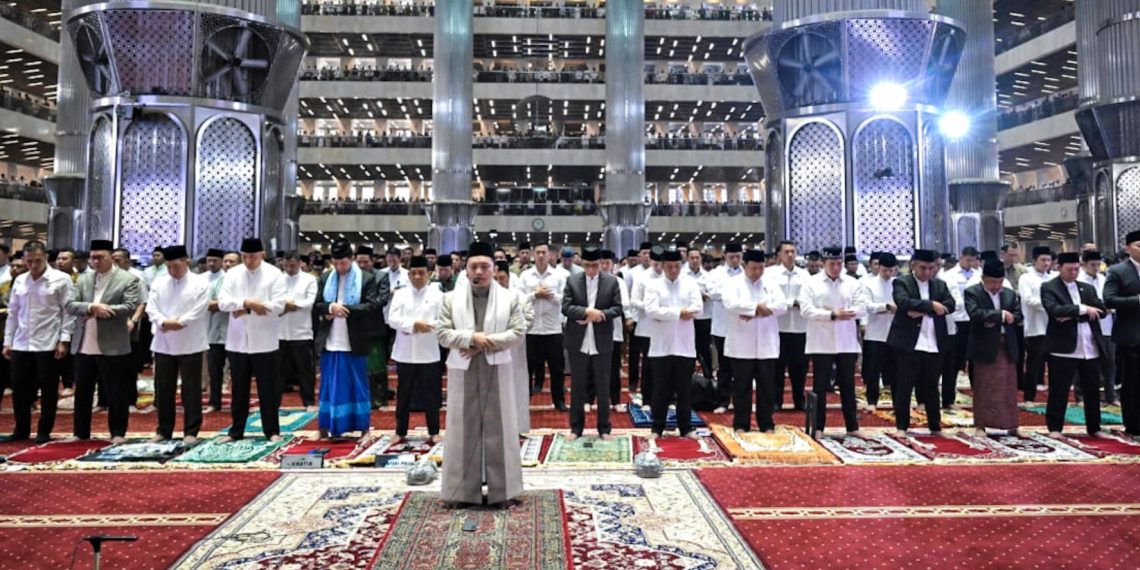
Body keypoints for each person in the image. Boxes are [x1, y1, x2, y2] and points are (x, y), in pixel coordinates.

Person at [436, 241, 527, 507]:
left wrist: (483, 343)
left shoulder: (510, 298)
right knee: (462, 429)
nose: (479, 272)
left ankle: (503, 492)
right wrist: (470, 338)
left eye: (484, 266)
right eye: (473, 266)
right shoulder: (449, 299)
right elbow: (442, 333)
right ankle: (461, 493)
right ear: (465, 270)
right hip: (462, 368)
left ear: (494, 268)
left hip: (497, 367)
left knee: (501, 427)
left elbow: (518, 332)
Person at [66, 240, 141, 443]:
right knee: (83, 392)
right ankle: (80, 433)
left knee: (116, 391)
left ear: (111, 257)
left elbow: (129, 306)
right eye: (93, 258)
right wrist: (91, 307)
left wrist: (102, 309)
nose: (96, 261)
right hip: (84, 344)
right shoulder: (83, 279)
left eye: (100, 257)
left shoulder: (128, 279)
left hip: (112, 345)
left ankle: (117, 433)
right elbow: (70, 305)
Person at [2, 242, 75, 442]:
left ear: (45, 258)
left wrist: (64, 340)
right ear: (24, 260)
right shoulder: (20, 280)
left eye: (37, 260)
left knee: (49, 389)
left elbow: (67, 312)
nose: (33, 265)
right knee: (20, 389)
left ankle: (44, 430)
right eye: (29, 261)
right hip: (21, 342)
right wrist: (8, 341)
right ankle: (21, 429)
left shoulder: (61, 279)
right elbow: (13, 313)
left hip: (48, 342)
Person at [217, 238, 287, 443]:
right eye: (245, 257)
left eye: (253, 257)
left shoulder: (274, 274)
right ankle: (236, 431)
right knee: (239, 389)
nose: (249, 261)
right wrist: (247, 303)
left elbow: (278, 305)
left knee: (268, 389)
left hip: (265, 341)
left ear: (262, 255)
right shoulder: (233, 274)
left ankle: (272, 431)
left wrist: (243, 309)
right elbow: (223, 303)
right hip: (238, 341)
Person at [314, 241, 383, 440]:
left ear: (351, 259)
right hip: (330, 341)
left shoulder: (366, 279)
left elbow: (371, 306)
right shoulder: (326, 277)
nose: (339, 267)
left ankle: (364, 428)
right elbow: (317, 304)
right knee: (328, 386)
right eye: (335, 263)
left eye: (343, 263)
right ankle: (324, 427)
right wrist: (329, 308)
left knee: (358, 385)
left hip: (355, 341)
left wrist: (343, 309)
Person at [799, 246, 869, 438]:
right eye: (832, 264)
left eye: (839, 264)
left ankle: (852, 426)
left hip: (846, 341)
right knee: (820, 386)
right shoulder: (811, 283)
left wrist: (848, 313)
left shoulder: (852, 283)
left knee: (848, 386)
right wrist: (831, 314)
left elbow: (862, 306)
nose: (836, 268)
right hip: (821, 341)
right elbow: (806, 310)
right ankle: (818, 427)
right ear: (823, 263)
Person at [1041, 252, 1110, 438]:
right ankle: (1055, 428)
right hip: (1064, 348)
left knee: (1092, 390)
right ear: (1059, 268)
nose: (1073, 273)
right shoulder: (1049, 287)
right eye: (1069, 269)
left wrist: (1072, 315)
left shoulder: (1086, 288)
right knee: (1059, 389)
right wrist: (1083, 309)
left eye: (1076, 269)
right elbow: (1054, 310)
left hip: (1090, 345)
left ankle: (1094, 427)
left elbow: (1102, 311)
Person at [145, 245, 209, 444]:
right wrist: (164, 322)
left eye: (176, 266)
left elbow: (199, 309)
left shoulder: (200, 282)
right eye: (169, 267)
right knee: (163, 389)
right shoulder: (159, 282)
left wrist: (179, 322)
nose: (172, 270)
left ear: (186, 261)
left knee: (191, 389)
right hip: (163, 342)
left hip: (190, 341)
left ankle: (191, 431)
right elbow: (151, 308)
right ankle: (164, 430)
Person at [887, 249, 954, 437]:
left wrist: (923, 309)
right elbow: (903, 303)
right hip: (908, 343)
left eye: (931, 268)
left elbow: (950, 304)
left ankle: (935, 426)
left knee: (932, 386)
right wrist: (932, 306)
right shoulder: (902, 282)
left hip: (934, 341)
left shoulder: (940, 284)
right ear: (913, 265)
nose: (927, 272)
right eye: (923, 268)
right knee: (904, 385)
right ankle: (902, 426)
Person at [562, 246, 623, 440]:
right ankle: (576, 428)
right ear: (582, 263)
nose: (590, 270)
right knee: (577, 386)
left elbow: (618, 308)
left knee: (603, 386)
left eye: (594, 265)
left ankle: (604, 429)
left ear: (600, 264)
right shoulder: (572, 281)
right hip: (578, 340)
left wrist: (600, 314)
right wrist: (586, 312)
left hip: (601, 340)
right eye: (587, 265)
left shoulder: (611, 281)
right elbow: (566, 307)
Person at [723, 249, 788, 433]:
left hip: (767, 344)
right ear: (745, 266)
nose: (757, 272)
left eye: (761, 268)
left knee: (766, 387)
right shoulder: (733, 283)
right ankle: (741, 423)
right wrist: (756, 308)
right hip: (741, 344)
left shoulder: (771, 284)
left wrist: (756, 312)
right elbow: (730, 304)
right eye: (754, 268)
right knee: (741, 386)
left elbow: (782, 305)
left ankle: (766, 423)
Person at [643, 248, 704, 439]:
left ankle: (685, 427)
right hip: (661, 347)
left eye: (677, 266)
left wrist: (668, 313)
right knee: (660, 390)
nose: (674, 270)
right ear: (662, 266)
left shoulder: (690, 284)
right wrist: (679, 313)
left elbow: (698, 309)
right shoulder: (653, 285)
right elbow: (651, 310)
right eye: (669, 267)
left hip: (685, 347)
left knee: (684, 390)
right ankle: (657, 427)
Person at [389, 255, 444, 443]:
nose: (417, 277)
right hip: (405, 352)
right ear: (409, 275)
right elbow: (392, 319)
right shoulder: (400, 294)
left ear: (429, 274)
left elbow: (444, 321)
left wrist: (427, 325)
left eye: (421, 273)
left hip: (429, 352)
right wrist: (413, 325)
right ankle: (400, 431)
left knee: (431, 394)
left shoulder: (438, 295)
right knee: (403, 394)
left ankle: (434, 431)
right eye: (413, 273)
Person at [965, 259, 1022, 436]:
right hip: (985, 346)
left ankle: (1012, 425)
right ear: (983, 279)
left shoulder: (1009, 294)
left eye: (999, 282)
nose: (996, 286)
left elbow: (1018, 316)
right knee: (985, 387)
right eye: (992, 282)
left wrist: (994, 319)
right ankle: (981, 425)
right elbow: (975, 313)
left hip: (1007, 345)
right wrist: (1000, 316)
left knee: (1009, 387)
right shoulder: (973, 292)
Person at [519, 242, 568, 410]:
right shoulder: (525, 276)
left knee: (557, 368)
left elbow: (566, 300)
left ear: (550, 255)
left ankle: (559, 401)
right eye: (538, 252)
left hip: (553, 328)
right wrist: (535, 294)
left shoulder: (559, 276)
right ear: (533, 254)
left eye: (544, 253)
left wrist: (550, 295)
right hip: (531, 329)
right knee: (527, 368)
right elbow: (519, 299)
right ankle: (524, 400)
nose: (541, 255)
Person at [1104, 230, 1140, 437]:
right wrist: (1137, 300)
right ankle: (1133, 425)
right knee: (1132, 383)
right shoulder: (1118, 271)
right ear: (1128, 248)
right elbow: (1109, 299)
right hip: (1131, 336)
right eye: (1138, 245)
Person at [493, 261, 534, 434]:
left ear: (509, 278)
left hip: (515, 350)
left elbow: (529, 320)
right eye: (495, 279)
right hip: (492, 348)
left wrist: (510, 332)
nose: (499, 282)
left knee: (516, 387)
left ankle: (516, 428)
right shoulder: (486, 298)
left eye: (502, 278)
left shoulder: (520, 297)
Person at [773, 241, 811, 411]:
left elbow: (809, 296)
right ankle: (776, 400)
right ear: (779, 255)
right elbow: (771, 298)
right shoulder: (771, 275)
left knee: (800, 367)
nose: (790, 255)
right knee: (777, 367)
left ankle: (799, 400)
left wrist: (798, 303)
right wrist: (790, 303)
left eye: (792, 251)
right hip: (778, 327)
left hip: (800, 327)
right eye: (786, 252)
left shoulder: (804, 275)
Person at [278, 252, 318, 411]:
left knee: (305, 371)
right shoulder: (277, 280)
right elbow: (273, 302)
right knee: (278, 371)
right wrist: (287, 306)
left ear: (299, 263)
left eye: (292, 265)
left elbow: (309, 303)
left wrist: (290, 305)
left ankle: (309, 402)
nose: (289, 268)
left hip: (301, 332)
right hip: (279, 333)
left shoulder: (309, 280)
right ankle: (275, 403)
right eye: (286, 265)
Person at [1078, 250, 1118, 406]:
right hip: (1087, 326)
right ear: (1084, 264)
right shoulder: (1079, 280)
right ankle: (1081, 396)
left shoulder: (1104, 279)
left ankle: (1111, 396)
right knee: (1084, 362)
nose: (1095, 268)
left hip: (1106, 326)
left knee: (1110, 362)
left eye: (1098, 265)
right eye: (1092, 265)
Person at [708, 242, 744, 413]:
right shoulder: (716, 274)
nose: (735, 260)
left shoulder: (747, 273)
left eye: (738, 256)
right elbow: (712, 293)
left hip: (743, 326)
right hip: (722, 326)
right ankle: (723, 401)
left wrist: (730, 295)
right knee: (724, 367)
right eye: (731, 257)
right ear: (724, 256)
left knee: (742, 367)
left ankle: (740, 401)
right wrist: (733, 295)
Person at [860, 252, 898, 410]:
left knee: (896, 370)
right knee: (873, 370)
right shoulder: (868, 284)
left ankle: (898, 402)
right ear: (878, 268)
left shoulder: (899, 284)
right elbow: (868, 306)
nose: (888, 274)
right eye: (884, 270)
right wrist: (886, 307)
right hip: (875, 333)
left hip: (895, 334)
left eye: (891, 270)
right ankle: (871, 401)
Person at [1018, 246, 1056, 403]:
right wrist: (1051, 305)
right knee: (1034, 364)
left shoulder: (1054, 277)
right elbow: (1028, 300)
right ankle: (1029, 396)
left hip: (1054, 327)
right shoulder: (1026, 278)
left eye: (1049, 260)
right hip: (1035, 327)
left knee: (1055, 365)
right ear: (1034, 261)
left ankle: (1054, 396)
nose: (1046, 263)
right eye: (1043, 260)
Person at [594, 249, 630, 413]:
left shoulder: (618, 282)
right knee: (592, 367)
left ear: (612, 265)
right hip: (593, 329)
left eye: (607, 263)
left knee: (613, 368)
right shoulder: (590, 280)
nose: (604, 266)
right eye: (601, 263)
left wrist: (604, 310)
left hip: (614, 330)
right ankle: (589, 399)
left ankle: (615, 400)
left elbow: (624, 304)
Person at [205, 251, 238, 413]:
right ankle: (214, 402)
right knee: (214, 371)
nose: (228, 264)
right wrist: (226, 304)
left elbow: (239, 303)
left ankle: (238, 404)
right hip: (214, 332)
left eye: (232, 262)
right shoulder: (214, 282)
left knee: (238, 372)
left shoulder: (241, 281)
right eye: (226, 261)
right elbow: (207, 304)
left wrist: (223, 304)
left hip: (237, 333)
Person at [943, 247, 979, 385]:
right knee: (956, 352)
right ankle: (954, 380)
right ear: (961, 257)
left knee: (973, 353)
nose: (970, 263)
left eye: (973, 260)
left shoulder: (978, 275)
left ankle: (974, 382)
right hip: (957, 318)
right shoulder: (949, 275)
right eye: (968, 260)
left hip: (974, 317)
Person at [683, 249, 714, 379]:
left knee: (705, 348)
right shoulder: (682, 275)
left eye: (697, 258)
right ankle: (688, 378)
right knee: (688, 348)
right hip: (687, 318)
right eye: (692, 258)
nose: (695, 260)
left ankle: (708, 378)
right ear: (687, 259)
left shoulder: (708, 276)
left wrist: (704, 295)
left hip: (704, 316)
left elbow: (714, 293)